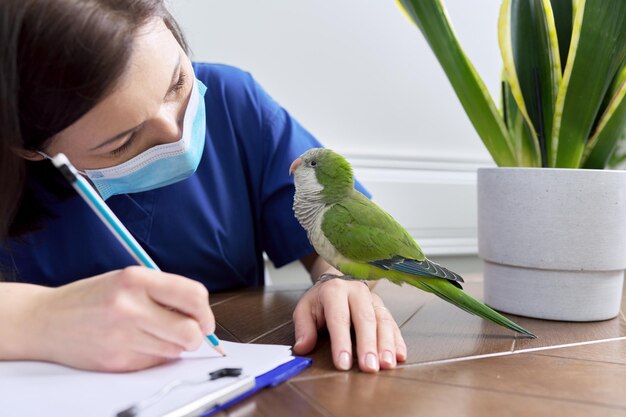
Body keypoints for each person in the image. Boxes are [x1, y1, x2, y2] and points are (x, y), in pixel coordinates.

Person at [0, 0, 406, 373]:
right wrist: (43, 315)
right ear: (30, 149)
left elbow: (344, 232)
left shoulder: (234, 103)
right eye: (122, 142)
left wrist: (337, 282)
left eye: (177, 83)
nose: (176, 132)